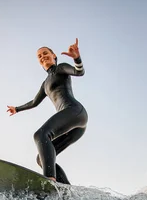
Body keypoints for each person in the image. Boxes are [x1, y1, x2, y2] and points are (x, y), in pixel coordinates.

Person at [7, 38, 87, 185]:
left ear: (53, 56)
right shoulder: (45, 84)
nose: (43, 57)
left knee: (41, 135)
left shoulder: (60, 68)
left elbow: (79, 71)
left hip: (75, 112)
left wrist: (77, 58)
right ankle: (65, 189)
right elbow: (34, 102)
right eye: (39, 56)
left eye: (45, 53)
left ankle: (49, 181)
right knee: (41, 159)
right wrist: (17, 109)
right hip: (75, 127)